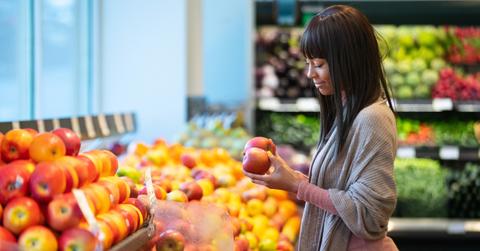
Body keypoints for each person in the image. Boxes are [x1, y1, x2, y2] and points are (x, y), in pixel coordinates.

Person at [243, 5, 399, 251]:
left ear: (348, 59)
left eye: (318, 64)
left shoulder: (372, 118)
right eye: (308, 63)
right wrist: (292, 176)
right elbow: (340, 191)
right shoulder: (348, 110)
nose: (309, 73)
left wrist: (298, 187)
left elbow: (369, 215)